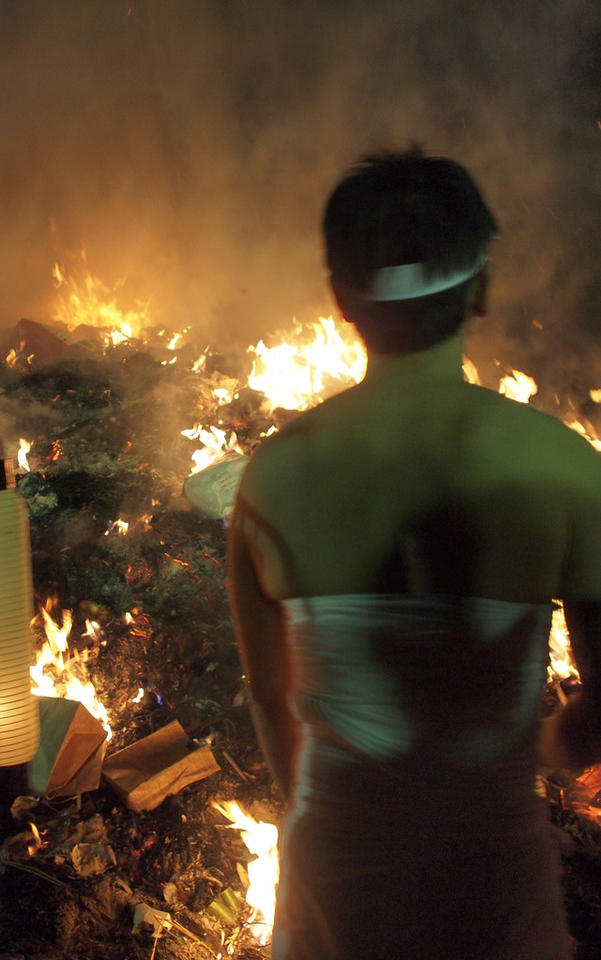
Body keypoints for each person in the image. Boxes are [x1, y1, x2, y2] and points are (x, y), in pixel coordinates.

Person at [228, 149, 601, 960]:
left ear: (341, 300)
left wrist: (343, 812)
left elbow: (271, 701)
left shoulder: (272, 478)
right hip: (493, 885)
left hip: (335, 889)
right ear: (481, 288)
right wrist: (525, 752)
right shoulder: (568, 471)